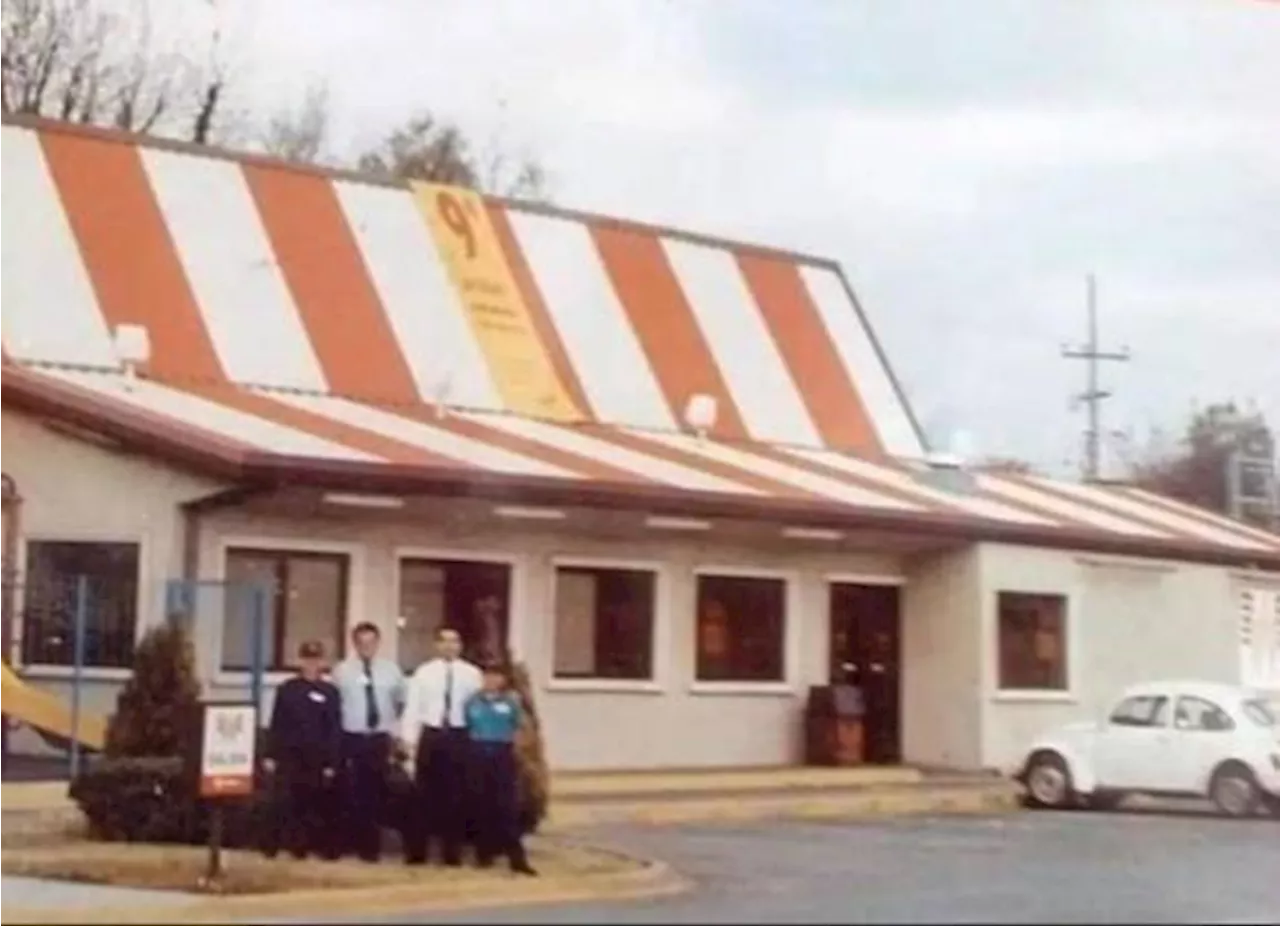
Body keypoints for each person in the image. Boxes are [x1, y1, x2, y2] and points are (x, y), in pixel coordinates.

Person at [399, 626, 482, 867]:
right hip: (432, 735)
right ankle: (417, 852)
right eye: (444, 641)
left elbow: (476, 709)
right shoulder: (424, 673)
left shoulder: (471, 674)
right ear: (436, 645)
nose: (449, 646)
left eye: (454, 641)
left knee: (455, 797)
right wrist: (408, 740)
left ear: (460, 645)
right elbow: (413, 708)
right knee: (423, 796)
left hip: (458, 735)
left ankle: (451, 852)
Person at [261, 639, 342, 861]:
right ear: (300, 661)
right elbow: (277, 722)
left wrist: (332, 762)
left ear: (322, 662)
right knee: (284, 803)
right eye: (307, 659)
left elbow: (334, 728)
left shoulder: (330, 692)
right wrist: (270, 753)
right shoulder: (288, 689)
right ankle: (273, 847)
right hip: (290, 756)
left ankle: (307, 848)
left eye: (315, 659)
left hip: (317, 758)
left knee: (313, 804)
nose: (311, 664)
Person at [331, 622, 406, 862]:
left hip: (378, 739)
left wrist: (396, 731)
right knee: (350, 791)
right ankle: (347, 843)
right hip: (351, 738)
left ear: (378, 643)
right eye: (362, 642)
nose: (367, 647)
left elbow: (402, 701)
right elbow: (334, 706)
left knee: (375, 792)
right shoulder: (342, 671)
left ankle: (370, 849)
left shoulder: (391, 670)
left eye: (371, 642)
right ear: (354, 644)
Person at [466, 661, 537, 876]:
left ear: (503, 680)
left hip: (502, 754)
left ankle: (517, 858)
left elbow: (519, 727)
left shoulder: (510, 702)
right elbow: (468, 726)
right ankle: (484, 853)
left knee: (507, 807)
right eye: (488, 676)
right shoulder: (473, 702)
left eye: (496, 677)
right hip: (479, 753)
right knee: (482, 805)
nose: (492, 681)